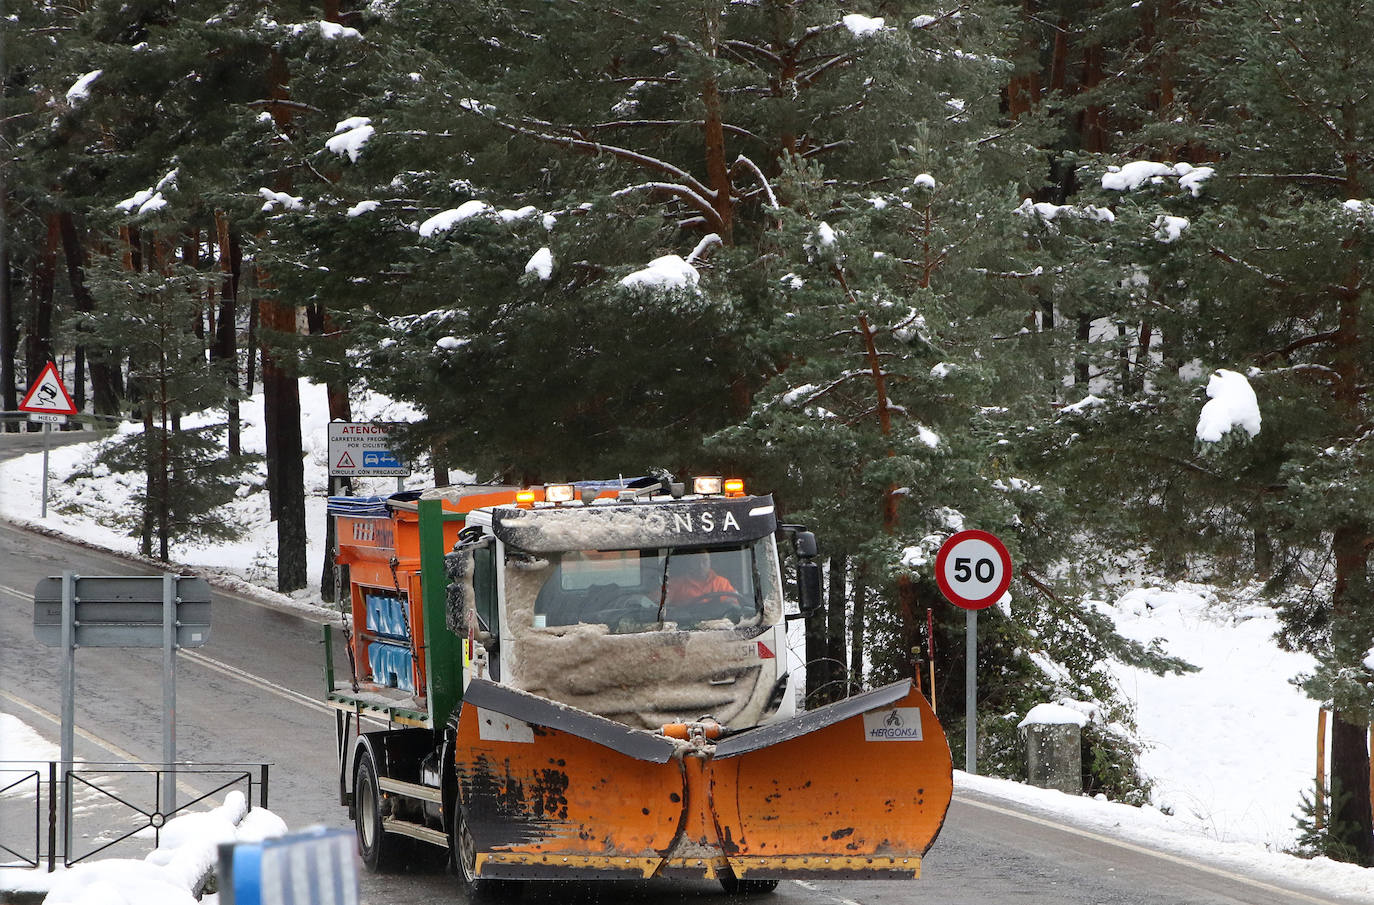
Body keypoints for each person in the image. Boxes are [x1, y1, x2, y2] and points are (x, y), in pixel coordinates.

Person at [665, 551, 736, 606]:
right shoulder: (675, 584)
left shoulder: (722, 583)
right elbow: (657, 605)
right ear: (690, 563)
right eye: (696, 561)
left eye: (705, 561)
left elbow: (735, 607)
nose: (701, 566)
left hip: (717, 624)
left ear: (710, 562)